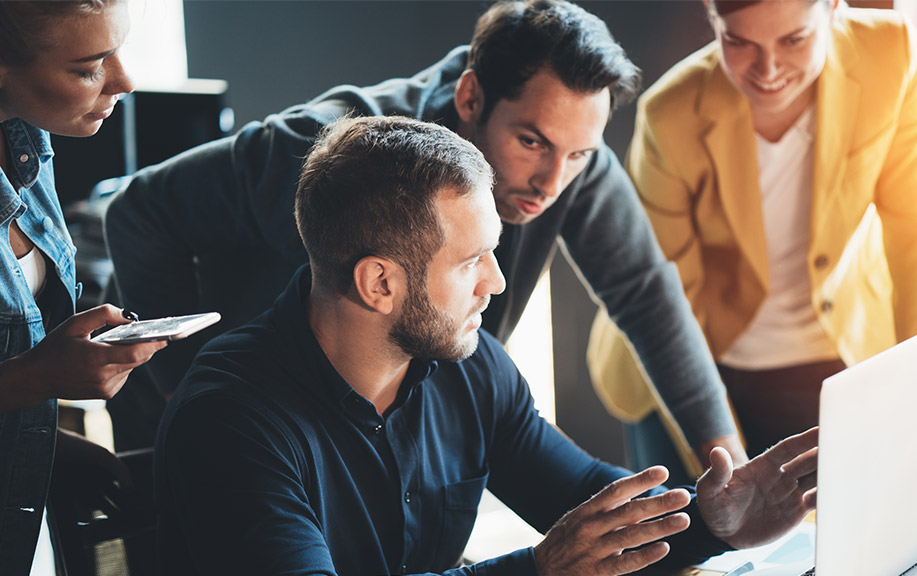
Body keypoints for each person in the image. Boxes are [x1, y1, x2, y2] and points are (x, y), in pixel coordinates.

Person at [154, 114, 818, 576]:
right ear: (379, 282)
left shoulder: (469, 371)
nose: (496, 284)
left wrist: (712, 519)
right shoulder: (230, 420)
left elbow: (587, 502)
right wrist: (538, 570)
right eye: (472, 261)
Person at [105, 0, 747, 470]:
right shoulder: (325, 151)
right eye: (532, 142)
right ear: (470, 97)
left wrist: (730, 467)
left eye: (579, 154)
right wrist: (194, 387)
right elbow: (137, 211)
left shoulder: (569, 162)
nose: (555, 180)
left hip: (386, 442)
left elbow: (646, 297)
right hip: (242, 435)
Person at [588, 0, 917, 465]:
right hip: (696, 366)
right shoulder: (671, 113)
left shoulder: (888, 53)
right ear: (713, 21)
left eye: (794, 39)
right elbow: (667, 295)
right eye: (739, 42)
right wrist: (719, 451)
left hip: (838, 356)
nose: (768, 69)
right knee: (695, 526)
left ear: (833, 10)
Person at [0, 1, 166, 573]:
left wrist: (49, 449)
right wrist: (34, 379)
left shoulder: (24, 142)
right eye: (90, 66)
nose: (125, 80)